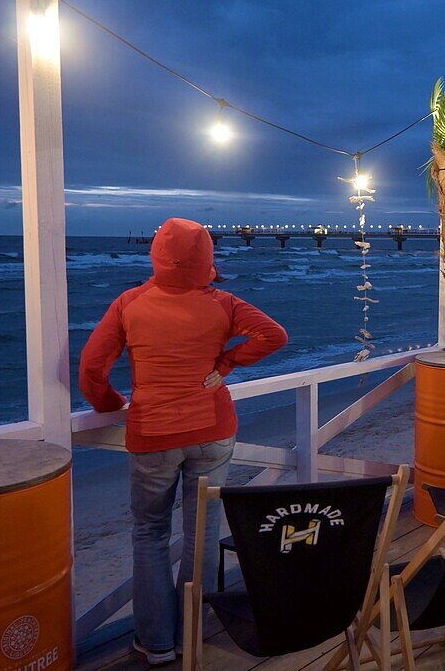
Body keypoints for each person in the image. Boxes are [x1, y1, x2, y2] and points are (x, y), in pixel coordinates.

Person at [79, 217, 287, 665]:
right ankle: (193, 632)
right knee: (203, 534)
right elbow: (274, 335)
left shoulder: (129, 303)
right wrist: (227, 364)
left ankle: (155, 643)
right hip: (213, 431)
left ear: (156, 254)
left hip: (153, 433)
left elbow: (92, 368)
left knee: (151, 533)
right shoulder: (224, 302)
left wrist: (112, 403)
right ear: (207, 259)